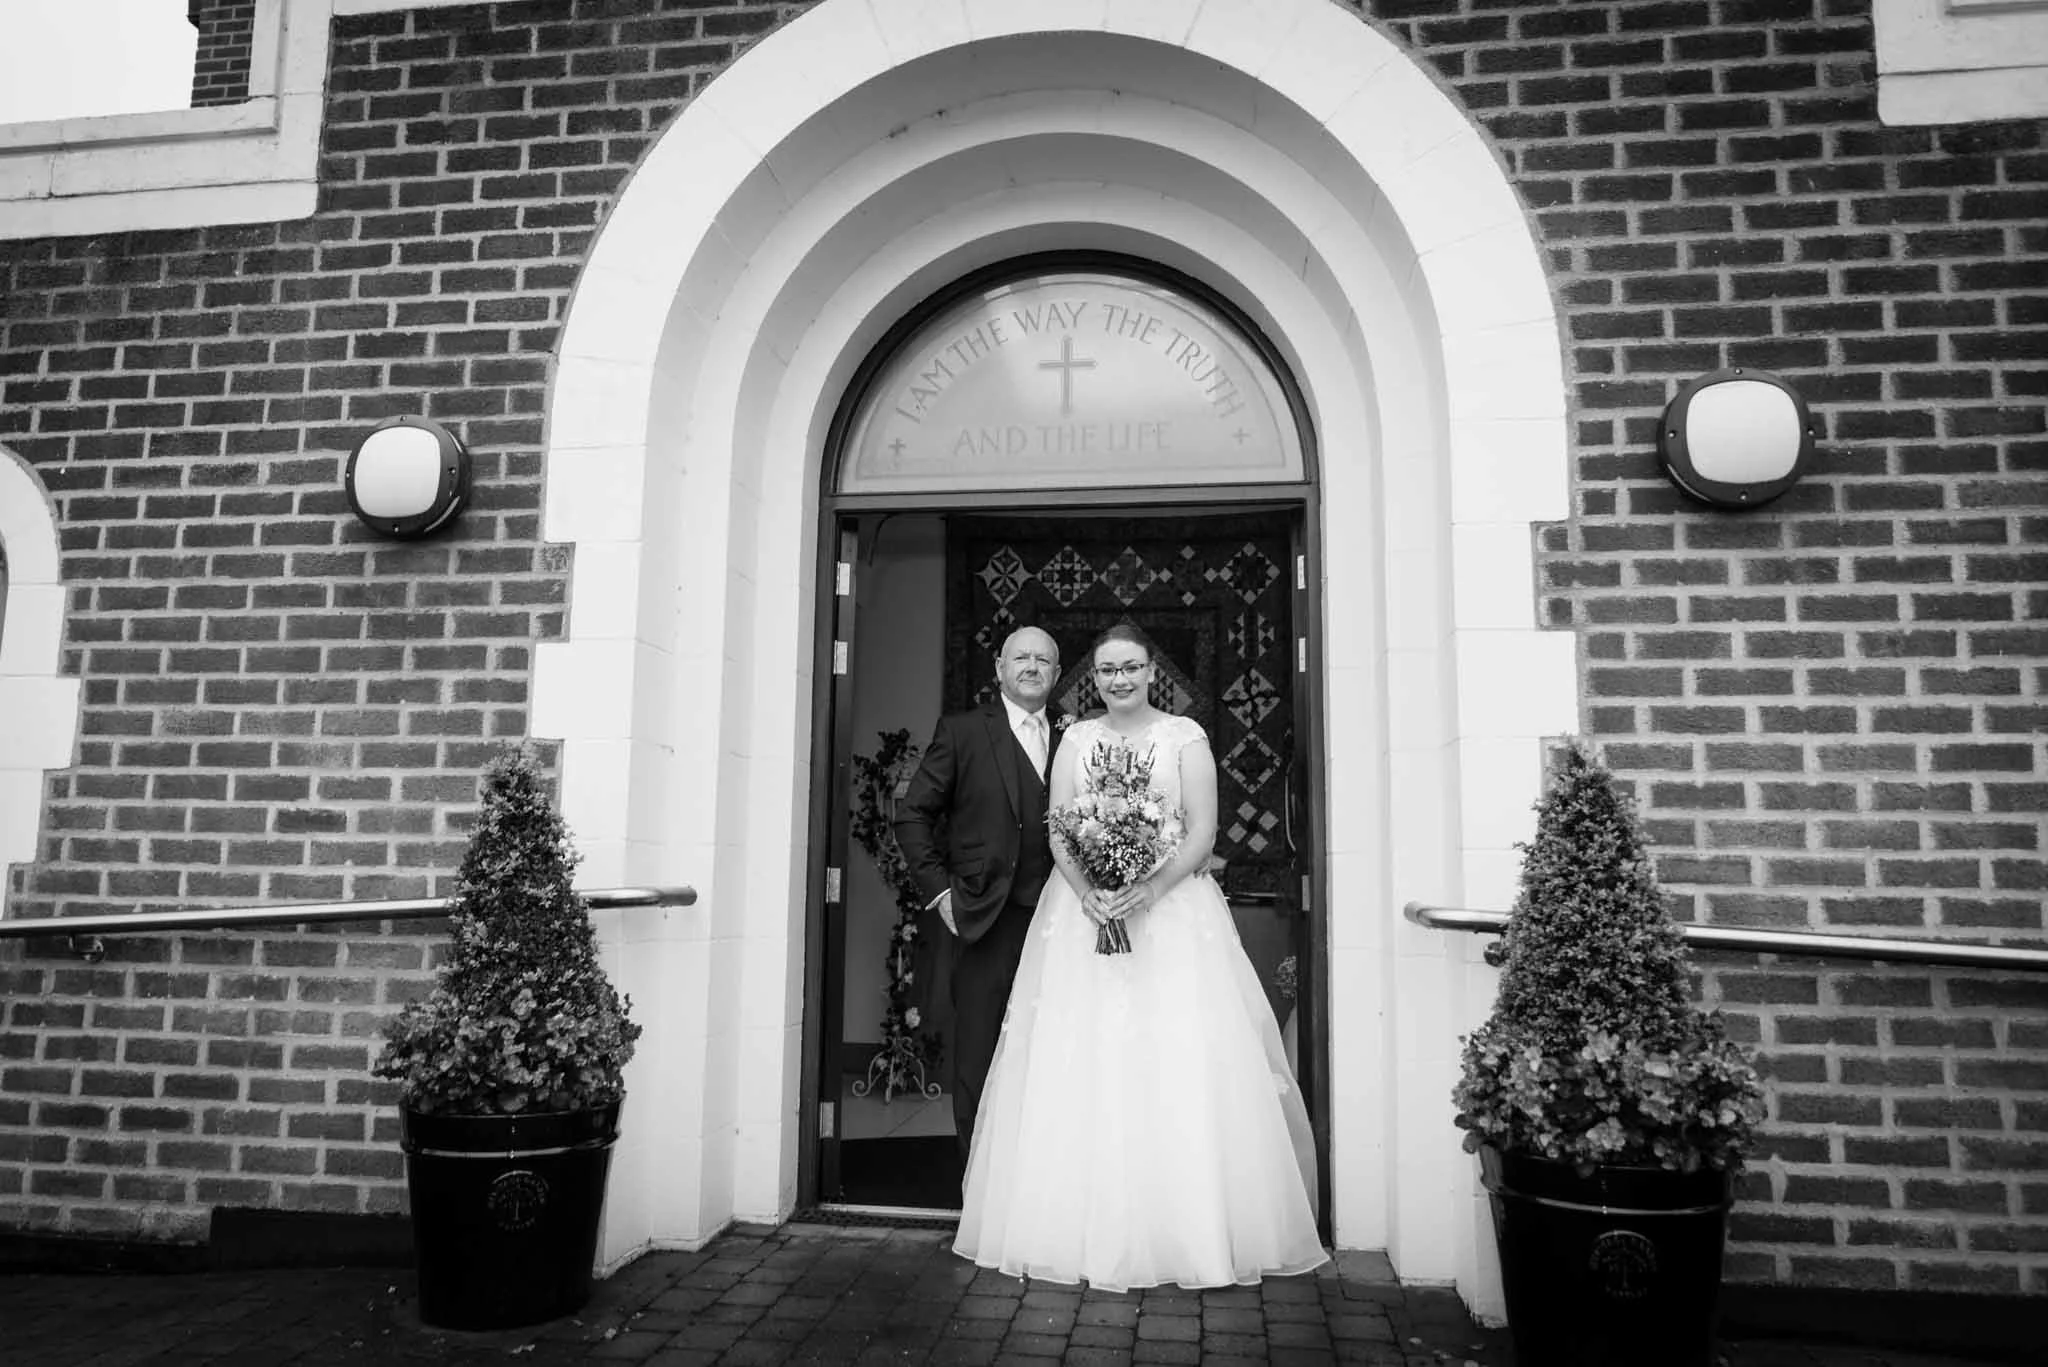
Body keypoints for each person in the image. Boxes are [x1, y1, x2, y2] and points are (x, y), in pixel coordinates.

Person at [953, 622, 1327, 1291]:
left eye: (1129, 667)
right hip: (1085, 917)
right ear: (1091, 678)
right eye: (1106, 670)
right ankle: (1073, 1226)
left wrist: (1147, 889)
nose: (1118, 679)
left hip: (1173, 916)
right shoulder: (1076, 739)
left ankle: (1184, 1229)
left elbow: (1202, 831)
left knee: (1174, 1055)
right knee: (1085, 1056)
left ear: (1153, 671)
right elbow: (1059, 829)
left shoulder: (1186, 738)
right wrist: (1090, 893)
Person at [893, 625, 1064, 1162]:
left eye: (1043, 660)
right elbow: (912, 816)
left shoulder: (1078, 737)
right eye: (1021, 658)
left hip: (1063, 923)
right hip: (985, 918)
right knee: (979, 1055)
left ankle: (1040, 1177)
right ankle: (978, 1184)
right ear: (999, 668)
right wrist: (942, 893)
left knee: (1056, 1051)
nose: (1032, 667)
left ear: (1058, 674)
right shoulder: (963, 731)